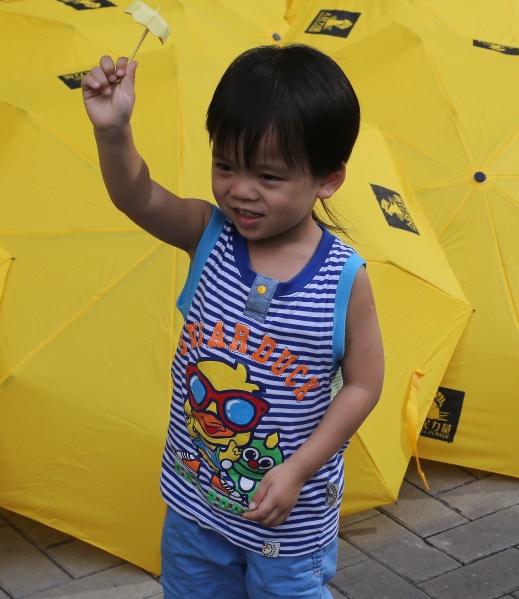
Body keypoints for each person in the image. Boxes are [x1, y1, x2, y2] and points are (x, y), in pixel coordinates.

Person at [82, 44, 385, 599]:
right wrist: (112, 130)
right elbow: (136, 195)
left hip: (285, 521)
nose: (240, 189)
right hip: (196, 503)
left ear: (327, 178)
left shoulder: (342, 278)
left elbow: (365, 384)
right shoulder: (210, 235)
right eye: (225, 165)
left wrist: (297, 471)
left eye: (268, 176)